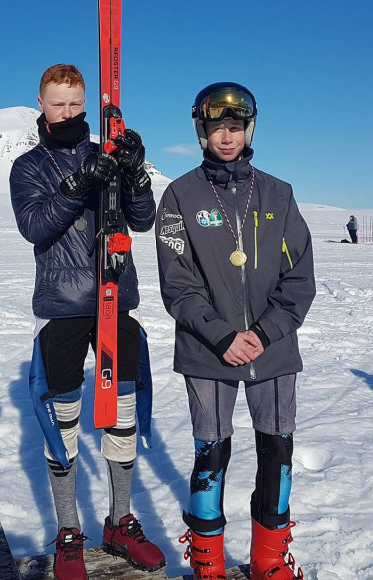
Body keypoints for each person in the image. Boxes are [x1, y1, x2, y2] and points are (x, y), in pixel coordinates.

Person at [9, 64, 165, 580]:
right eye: (59, 104)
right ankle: (70, 530)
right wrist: (79, 184)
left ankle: (120, 520)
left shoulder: (107, 154)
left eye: (76, 104)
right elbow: (35, 226)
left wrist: (134, 174)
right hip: (62, 305)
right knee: (64, 419)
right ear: (41, 104)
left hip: (115, 298)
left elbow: (141, 218)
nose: (69, 113)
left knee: (121, 412)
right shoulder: (28, 165)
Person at [155, 82, 315, 580]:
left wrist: (264, 334)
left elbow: (300, 278)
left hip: (273, 351)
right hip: (208, 352)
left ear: (249, 129)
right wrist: (224, 336)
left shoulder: (278, 193)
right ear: (201, 132)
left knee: (277, 448)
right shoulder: (180, 195)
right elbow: (177, 284)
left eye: (235, 127)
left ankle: (270, 557)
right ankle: (208, 560)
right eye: (216, 127)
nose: (226, 137)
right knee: (212, 450)